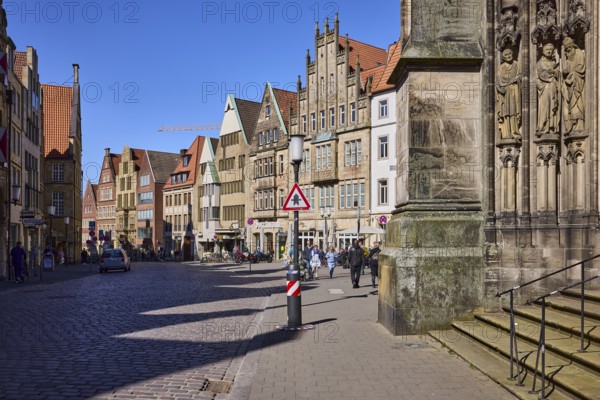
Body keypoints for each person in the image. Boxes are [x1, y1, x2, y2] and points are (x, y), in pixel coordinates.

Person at [496, 47, 521, 139]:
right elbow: (497, 81)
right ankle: (506, 133)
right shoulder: (501, 67)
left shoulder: (517, 65)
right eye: (506, 55)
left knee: (514, 111)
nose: (508, 56)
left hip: (515, 90)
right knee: (506, 111)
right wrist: (500, 89)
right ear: (503, 57)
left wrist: (517, 79)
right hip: (505, 92)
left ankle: (515, 131)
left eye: (509, 53)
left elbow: (521, 77)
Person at [536, 42, 560, 135]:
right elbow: (539, 76)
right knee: (545, 107)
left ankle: (552, 127)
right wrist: (552, 73)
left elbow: (557, 74)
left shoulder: (554, 63)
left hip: (553, 88)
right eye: (547, 49)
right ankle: (543, 126)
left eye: (551, 49)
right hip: (544, 88)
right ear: (543, 51)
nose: (549, 51)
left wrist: (555, 72)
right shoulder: (540, 63)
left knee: (553, 108)